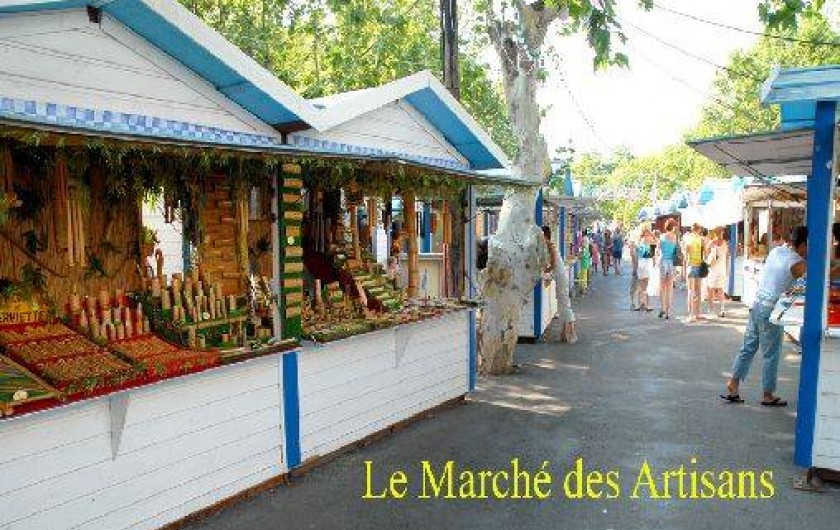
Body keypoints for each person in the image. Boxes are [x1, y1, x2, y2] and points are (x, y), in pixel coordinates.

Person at [721, 226, 808, 407]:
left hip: (757, 302)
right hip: (771, 309)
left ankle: (734, 383)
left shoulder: (777, 251)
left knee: (748, 347)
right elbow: (815, 278)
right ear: (803, 244)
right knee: (771, 353)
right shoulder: (797, 262)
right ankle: (767, 394)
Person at [543, 226, 577, 343]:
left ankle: (571, 334)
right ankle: (565, 334)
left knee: (564, 304)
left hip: (560, 278)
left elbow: (552, 265)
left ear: (544, 235)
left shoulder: (549, 245)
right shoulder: (549, 245)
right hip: (560, 277)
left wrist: (543, 271)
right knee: (563, 304)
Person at [682, 223, 705, 322]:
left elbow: (685, 256)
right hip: (699, 265)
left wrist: (683, 270)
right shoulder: (701, 239)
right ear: (699, 229)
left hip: (690, 266)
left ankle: (691, 314)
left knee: (691, 291)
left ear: (692, 229)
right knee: (698, 291)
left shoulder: (688, 239)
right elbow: (704, 254)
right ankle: (698, 313)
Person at [657, 219, 679, 319]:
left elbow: (658, 250)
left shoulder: (661, 236)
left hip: (662, 262)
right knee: (670, 288)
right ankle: (668, 312)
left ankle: (662, 308)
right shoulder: (675, 238)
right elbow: (677, 251)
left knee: (662, 287)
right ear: (673, 227)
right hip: (671, 263)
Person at [705, 227, 729, 317]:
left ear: (714, 233)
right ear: (722, 232)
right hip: (722, 268)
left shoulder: (711, 243)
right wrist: (727, 270)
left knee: (710, 289)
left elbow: (706, 256)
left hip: (713, 269)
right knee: (721, 289)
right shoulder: (725, 243)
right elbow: (727, 257)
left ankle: (711, 309)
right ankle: (722, 309)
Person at [635, 228, 655, 312]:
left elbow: (637, 255)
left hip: (641, 263)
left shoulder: (639, 242)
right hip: (647, 263)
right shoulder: (651, 242)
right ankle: (646, 305)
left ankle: (640, 304)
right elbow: (652, 255)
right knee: (646, 286)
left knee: (641, 285)